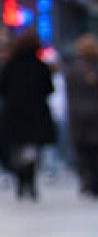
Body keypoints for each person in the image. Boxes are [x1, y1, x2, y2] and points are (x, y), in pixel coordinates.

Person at [0, 32, 57, 202]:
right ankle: (30, 182)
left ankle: (20, 182)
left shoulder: (11, 65)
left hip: (15, 114)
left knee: (18, 149)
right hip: (35, 114)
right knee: (31, 150)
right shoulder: (40, 66)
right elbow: (50, 89)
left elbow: (2, 88)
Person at [66, 35, 98, 199]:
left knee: (82, 151)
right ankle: (96, 184)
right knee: (97, 152)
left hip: (79, 115)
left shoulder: (73, 70)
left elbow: (69, 94)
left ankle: (85, 180)